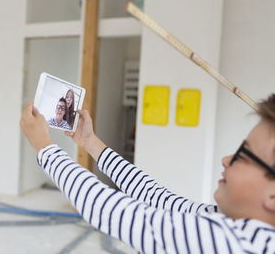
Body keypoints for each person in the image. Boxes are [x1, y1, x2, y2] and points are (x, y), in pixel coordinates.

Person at [20, 94, 275, 253]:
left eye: (243, 154)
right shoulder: (227, 222)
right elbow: (156, 197)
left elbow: (109, 210)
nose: (226, 159)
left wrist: (43, 145)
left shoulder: (236, 244)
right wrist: (90, 143)